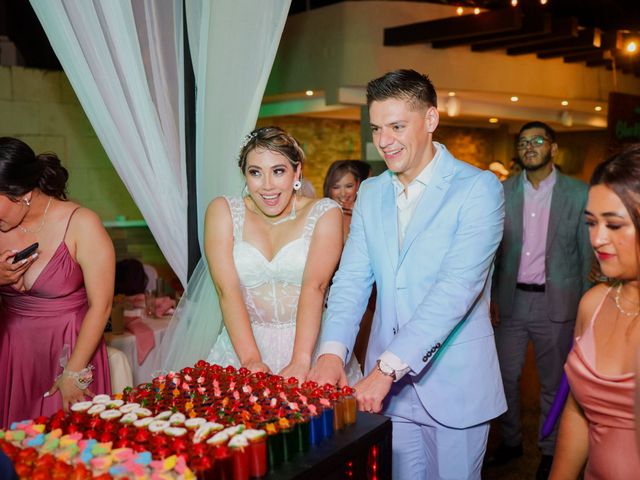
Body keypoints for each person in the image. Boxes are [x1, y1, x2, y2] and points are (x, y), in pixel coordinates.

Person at [309, 69, 506, 479]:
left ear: (430, 119)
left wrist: (384, 370)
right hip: (389, 398)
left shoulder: (478, 188)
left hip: (454, 385)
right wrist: (331, 354)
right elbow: (351, 280)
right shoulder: (373, 191)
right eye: (378, 127)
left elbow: (457, 289)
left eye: (397, 126)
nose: (383, 140)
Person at [204, 126, 359, 384]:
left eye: (278, 171)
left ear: (297, 172)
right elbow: (226, 290)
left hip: (310, 346)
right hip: (241, 346)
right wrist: (250, 360)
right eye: (255, 172)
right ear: (244, 175)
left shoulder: (325, 213)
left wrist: (301, 360)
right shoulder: (223, 211)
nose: (267, 186)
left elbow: (316, 286)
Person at [488, 122, 593, 478]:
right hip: (511, 301)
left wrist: (585, 308)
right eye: (522, 142)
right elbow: (491, 252)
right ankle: (512, 441)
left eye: (537, 140)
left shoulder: (579, 194)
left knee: (553, 383)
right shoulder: (501, 192)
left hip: (559, 303)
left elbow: (586, 256)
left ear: (553, 148)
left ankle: (550, 450)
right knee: (504, 377)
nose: (529, 146)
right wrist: (489, 296)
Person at [0, 137, 113, 427]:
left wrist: (73, 373)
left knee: (71, 451)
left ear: (21, 193)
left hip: (71, 352)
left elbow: (101, 306)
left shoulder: (81, 223)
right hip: (13, 355)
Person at [550, 144, 640, 479]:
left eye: (614, 225)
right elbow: (578, 410)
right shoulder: (595, 302)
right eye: (591, 222)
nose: (597, 239)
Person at [322, 160, 363, 238]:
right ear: (329, 188)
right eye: (336, 187)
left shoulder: (365, 214)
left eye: (349, 186)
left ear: (357, 185)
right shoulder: (320, 216)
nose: (343, 193)